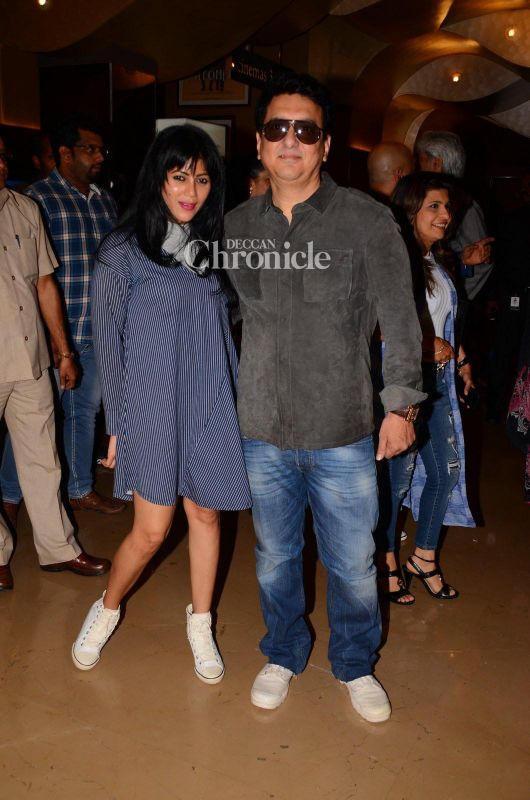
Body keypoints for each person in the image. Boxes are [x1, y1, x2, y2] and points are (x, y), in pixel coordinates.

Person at [224, 73, 426, 723]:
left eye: (305, 130)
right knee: (274, 558)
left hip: (343, 428)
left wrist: (401, 407)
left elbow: (402, 321)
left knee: (355, 563)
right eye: (277, 129)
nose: (291, 141)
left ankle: (355, 663)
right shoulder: (235, 226)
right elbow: (217, 317)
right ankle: (283, 652)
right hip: (262, 429)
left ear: (326, 145)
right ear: (260, 143)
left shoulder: (367, 221)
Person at [71, 125, 251, 680]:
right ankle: (107, 608)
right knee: (151, 531)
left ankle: (201, 622)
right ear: (158, 179)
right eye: (179, 177)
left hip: (210, 398)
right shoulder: (123, 251)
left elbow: (228, 328)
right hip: (151, 404)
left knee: (206, 514)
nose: (191, 191)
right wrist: (118, 422)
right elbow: (109, 341)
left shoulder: (214, 249)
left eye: (202, 179)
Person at [0, 114, 125, 518]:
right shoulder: (36, 199)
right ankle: (10, 495)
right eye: (91, 149)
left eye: (102, 150)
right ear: (65, 154)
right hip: (53, 333)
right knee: (36, 421)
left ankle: (79, 489)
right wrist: (53, 340)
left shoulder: (105, 200)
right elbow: (32, 278)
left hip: (98, 328)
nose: (100, 157)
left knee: (84, 413)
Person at [374, 172, 476, 605]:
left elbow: (442, 321)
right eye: (434, 206)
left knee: (446, 471)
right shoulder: (392, 259)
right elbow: (372, 324)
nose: (445, 215)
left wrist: (462, 359)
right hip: (402, 384)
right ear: (410, 209)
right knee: (397, 482)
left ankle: (424, 557)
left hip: (437, 382)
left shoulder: (436, 260)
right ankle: (387, 562)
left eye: (447, 207)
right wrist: (424, 345)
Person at [415, 130, 494, 301]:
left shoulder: (465, 206)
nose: (418, 171)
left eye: (421, 163)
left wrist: (454, 301)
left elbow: (480, 265)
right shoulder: (420, 199)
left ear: (436, 163)